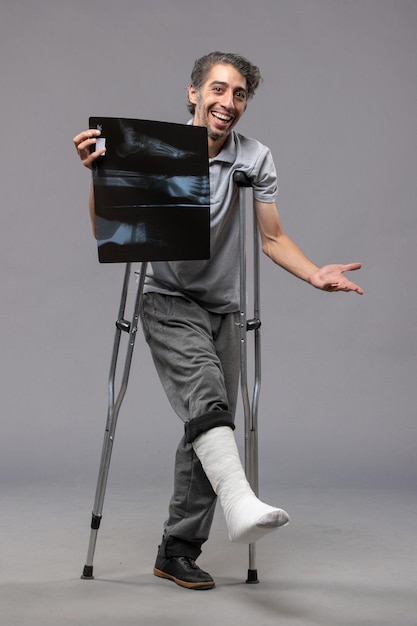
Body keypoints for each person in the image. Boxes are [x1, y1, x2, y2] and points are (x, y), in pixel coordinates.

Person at [73, 51, 363, 591]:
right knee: (209, 401)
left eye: (239, 95)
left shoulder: (255, 157)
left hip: (223, 304)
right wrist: (103, 177)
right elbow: (109, 231)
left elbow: (272, 237)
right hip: (167, 297)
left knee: (212, 425)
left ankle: (177, 550)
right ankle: (240, 501)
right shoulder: (152, 150)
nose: (228, 103)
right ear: (194, 92)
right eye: (218, 89)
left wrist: (313, 275)